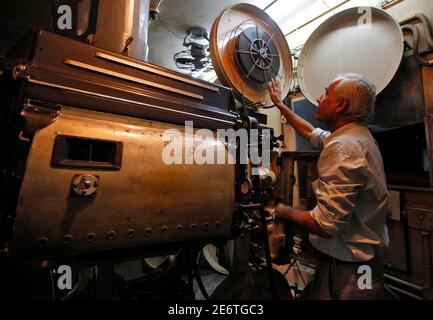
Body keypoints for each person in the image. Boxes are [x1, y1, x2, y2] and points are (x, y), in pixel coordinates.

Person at [267, 74, 389, 300]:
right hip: (351, 262)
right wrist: (281, 105)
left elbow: (325, 226)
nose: (319, 98)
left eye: (326, 94)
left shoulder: (343, 147)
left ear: (341, 105)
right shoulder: (354, 135)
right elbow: (310, 132)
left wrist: (282, 211)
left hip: (353, 269)